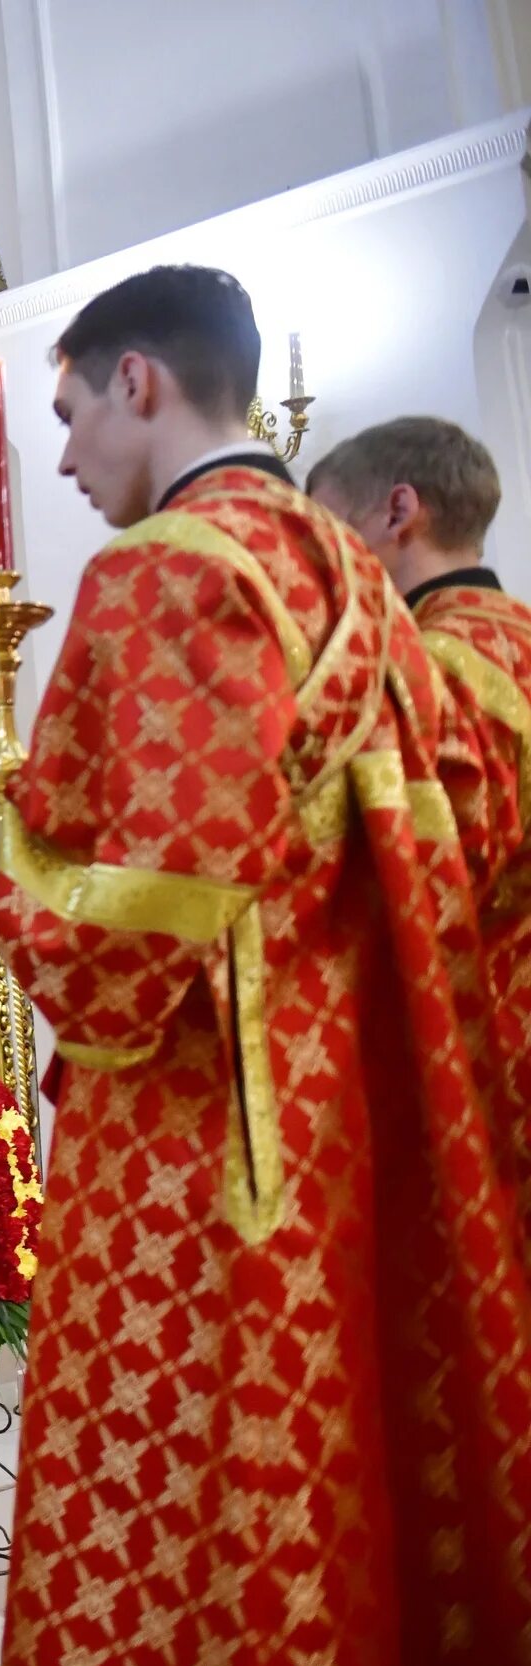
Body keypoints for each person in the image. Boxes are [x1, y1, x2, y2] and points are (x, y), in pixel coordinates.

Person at [0, 265, 531, 1666]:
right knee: (329, 1450)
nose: (65, 458)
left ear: (141, 379)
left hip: (200, 1129)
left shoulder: (166, 571)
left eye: (72, 414)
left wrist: (10, 882)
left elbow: (148, 928)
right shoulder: (358, 586)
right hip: (342, 1100)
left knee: (187, 1490)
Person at [312, 417, 531, 1183]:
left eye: (333, 535)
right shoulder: (520, 637)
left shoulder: (429, 672)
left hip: (494, 1065)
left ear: (399, 511)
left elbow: (423, 880)